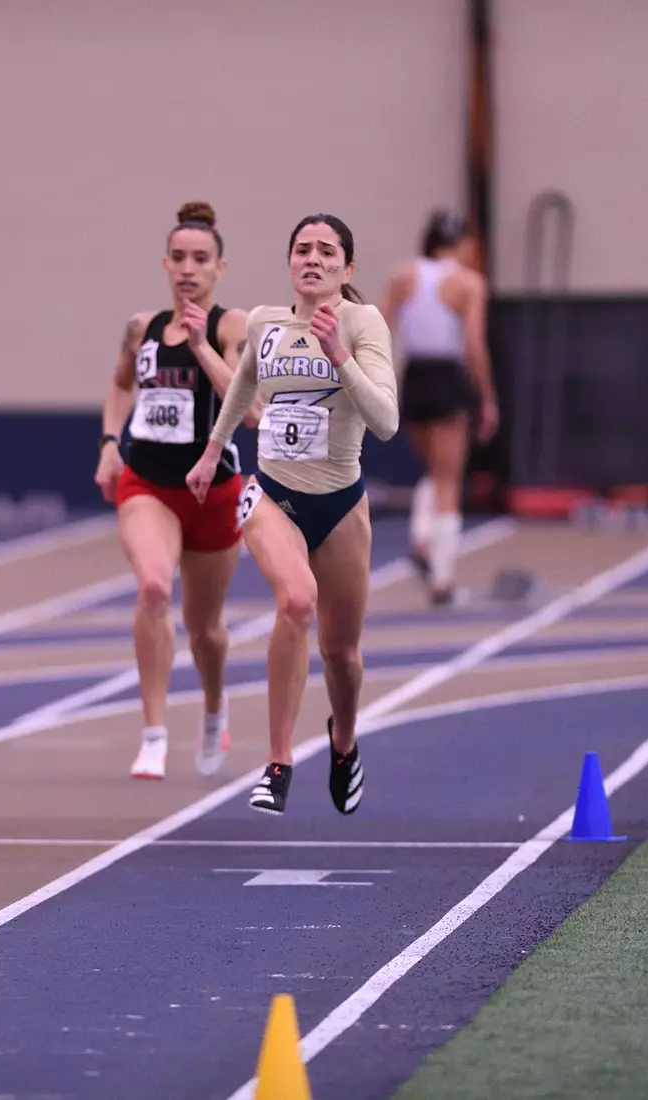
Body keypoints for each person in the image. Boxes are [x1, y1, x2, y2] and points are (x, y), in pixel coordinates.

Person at [186, 214, 398, 817]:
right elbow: (242, 389)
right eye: (302, 249)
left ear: (346, 268)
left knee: (343, 656)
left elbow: (386, 422)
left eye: (326, 251)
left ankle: (344, 739)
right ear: (289, 263)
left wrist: (340, 355)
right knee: (295, 600)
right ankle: (278, 763)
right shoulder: (264, 323)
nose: (313, 259)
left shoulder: (362, 323)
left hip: (340, 504)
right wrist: (210, 454)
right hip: (272, 495)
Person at [94, 201, 258, 782]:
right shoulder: (140, 328)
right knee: (155, 587)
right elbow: (118, 387)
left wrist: (200, 345)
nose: (189, 268)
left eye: (201, 259)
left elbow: (249, 406)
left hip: (213, 490)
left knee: (205, 628)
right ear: (165, 263)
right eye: (180, 258)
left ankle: (214, 708)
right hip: (149, 484)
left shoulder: (230, 325)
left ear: (220, 267)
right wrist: (111, 442)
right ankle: (154, 733)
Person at [380, 209, 498, 606]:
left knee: (434, 468)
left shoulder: (403, 277)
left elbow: (380, 331)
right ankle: (442, 579)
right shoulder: (467, 283)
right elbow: (475, 344)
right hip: (447, 376)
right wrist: (487, 396)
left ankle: (420, 537)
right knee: (448, 477)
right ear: (463, 243)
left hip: (415, 376)